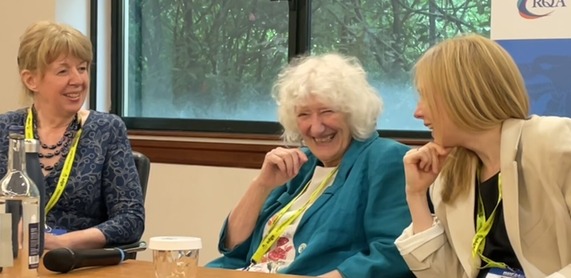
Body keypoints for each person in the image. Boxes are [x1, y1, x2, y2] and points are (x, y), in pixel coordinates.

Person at [206, 53, 413, 277]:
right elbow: (233, 246)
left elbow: (394, 253)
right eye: (304, 114)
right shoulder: (301, 165)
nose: (316, 128)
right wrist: (261, 184)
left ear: (354, 112)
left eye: (327, 111)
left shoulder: (386, 158)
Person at [395, 34, 571, 278]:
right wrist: (415, 195)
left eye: (425, 96)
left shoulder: (556, 144)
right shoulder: (450, 174)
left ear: (462, 94)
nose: (418, 111)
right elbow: (443, 275)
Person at [0, 21, 145, 250]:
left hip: (77, 263)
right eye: (63, 71)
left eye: (82, 68)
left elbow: (131, 219)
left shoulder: (106, 130)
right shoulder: (6, 129)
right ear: (31, 80)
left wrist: (60, 243)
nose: (77, 80)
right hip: (11, 261)